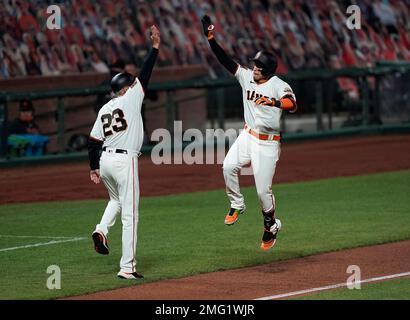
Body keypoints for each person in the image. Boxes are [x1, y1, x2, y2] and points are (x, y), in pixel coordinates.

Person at [201, 15, 298, 251]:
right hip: (248, 135)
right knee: (227, 167)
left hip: (268, 143)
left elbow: (292, 104)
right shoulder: (246, 77)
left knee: (263, 191)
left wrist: (273, 102)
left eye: (258, 66)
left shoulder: (278, 85)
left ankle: (270, 225)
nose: (253, 67)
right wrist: (211, 38)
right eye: (254, 64)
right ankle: (237, 204)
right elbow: (226, 61)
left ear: (267, 70)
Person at [87, 25, 160, 280]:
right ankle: (127, 267)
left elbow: (93, 140)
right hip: (124, 160)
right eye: (132, 84)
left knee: (115, 201)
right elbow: (147, 73)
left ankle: (101, 229)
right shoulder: (131, 98)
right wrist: (154, 48)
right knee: (131, 216)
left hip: (105, 159)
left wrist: (93, 167)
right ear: (127, 88)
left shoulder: (105, 107)